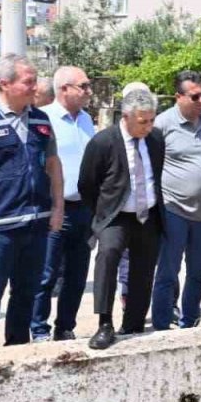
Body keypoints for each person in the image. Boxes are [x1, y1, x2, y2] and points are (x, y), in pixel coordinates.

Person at [0, 54, 64, 350]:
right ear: (5, 84)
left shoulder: (41, 119)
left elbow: (53, 165)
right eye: (29, 82)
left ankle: (17, 351)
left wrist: (57, 207)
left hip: (36, 222)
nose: (36, 87)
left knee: (26, 292)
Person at [80, 89, 165, 350]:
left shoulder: (155, 139)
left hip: (147, 215)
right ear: (126, 116)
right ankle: (105, 323)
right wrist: (103, 212)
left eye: (151, 120)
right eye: (143, 122)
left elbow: (155, 176)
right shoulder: (103, 142)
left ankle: (134, 323)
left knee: (144, 270)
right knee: (108, 254)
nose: (148, 127)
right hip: (115, 216)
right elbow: (87, 184)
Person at [29, 66, 97, 342]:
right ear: (64, 89)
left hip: (85, 209)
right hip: (56, 209)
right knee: (45, 274)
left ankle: (65, 326)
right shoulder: (45, 119)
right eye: (84, 86)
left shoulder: (86, 120)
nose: (89, 92)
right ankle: (38, 328)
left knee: (77, 275)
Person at [152, 71, 201, 330]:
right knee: (168, 273)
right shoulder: (162, 124)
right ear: (179, 97)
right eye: (195, 96)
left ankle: (189, 323)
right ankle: (160, 324)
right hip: (172, 210)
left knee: (198, 274)